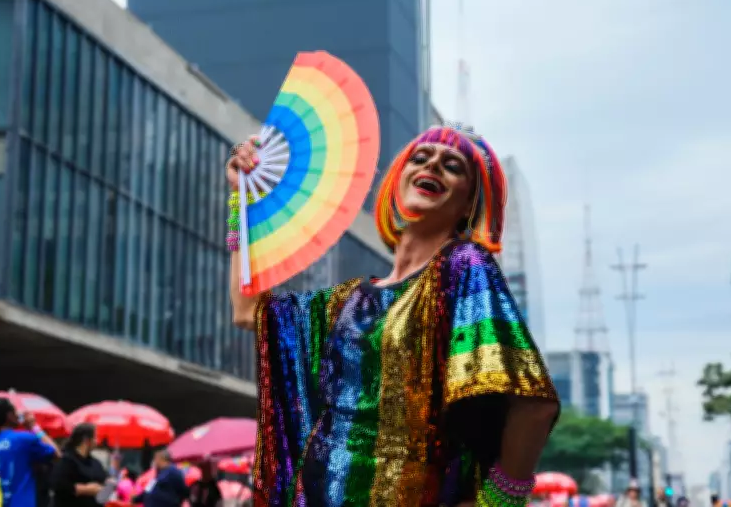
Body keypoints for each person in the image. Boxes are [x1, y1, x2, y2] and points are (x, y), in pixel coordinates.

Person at [227, 122, 560, 506]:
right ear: (397, 181)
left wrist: (498, 501)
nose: (432, 165)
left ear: (471, 202)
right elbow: (249, 311)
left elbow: (532, 404)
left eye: (452, 165)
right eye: (420, 158)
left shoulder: (463, 266)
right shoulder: (348, 301)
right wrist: (243, 201)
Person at [0, 397, 60, 507]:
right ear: (9, 415)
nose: (18, 415)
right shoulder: (24, 439)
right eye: (15, 412)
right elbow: (57, 454)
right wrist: (33, 426)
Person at [50, 424, 109, 507]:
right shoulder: (66, 459)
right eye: (95, 438)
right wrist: (86, 489)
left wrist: (109, 484)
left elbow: (103, 481)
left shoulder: (96, 463)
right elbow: (58, 485)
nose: (97, 441)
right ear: (86, 440)